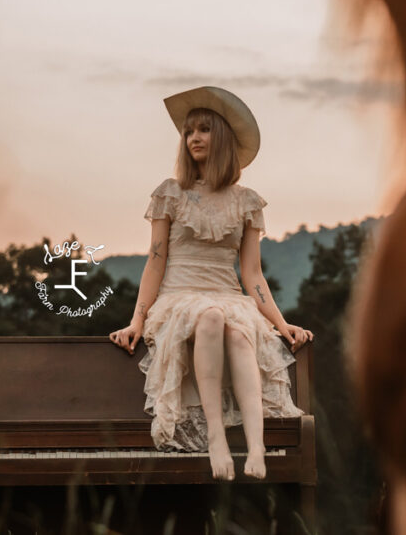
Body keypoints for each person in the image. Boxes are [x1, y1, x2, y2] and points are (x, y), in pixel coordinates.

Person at [109, 85, 314, 482]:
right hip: (179, 297)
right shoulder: (170, 194)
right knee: (209, 317)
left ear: (221, 138)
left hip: (228, 294)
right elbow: (155, 262)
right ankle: (216, 439)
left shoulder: (247, 201)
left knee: (239, 334)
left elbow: (252, 274)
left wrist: (281, 321)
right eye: (189, 132)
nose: (194, 139)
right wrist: (136, 321)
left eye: (203, 130)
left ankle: (256, 447)